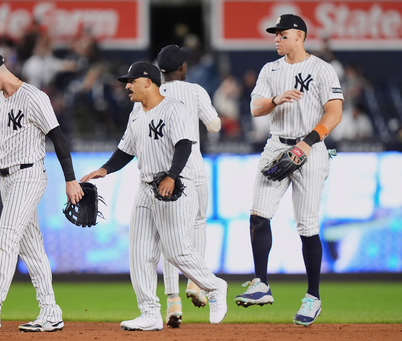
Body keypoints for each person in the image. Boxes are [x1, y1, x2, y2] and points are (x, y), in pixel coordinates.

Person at [80, 61, 228, 331]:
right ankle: (149, 313)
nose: (127, 86)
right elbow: (126, 149)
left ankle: (215, 286)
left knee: (176, 251)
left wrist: (172, 176)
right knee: (139, 252)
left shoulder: (174, 109)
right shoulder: (136, 111)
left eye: (131, 81)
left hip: (171, 187)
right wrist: (105, 169)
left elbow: (184, 145)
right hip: (145, 187)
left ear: (148, 82)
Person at [0, 51, 84, 332]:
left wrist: (71, 179)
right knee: (32, 249)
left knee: (6, 235)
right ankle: (51, 311)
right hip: (7, 179)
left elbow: (58, 138)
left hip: (29, 174)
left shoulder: (34, 97)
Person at [233, 14, 343, 326]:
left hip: (311, 148)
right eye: (275, 35)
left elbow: (334, 112)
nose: (276, 39)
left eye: (282, 34)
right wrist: (275, 100)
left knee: (307, 226)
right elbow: (256, 108)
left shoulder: (322, 69)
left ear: (299, 35)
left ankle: (312, 297)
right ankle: (261, 284)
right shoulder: (271, 70)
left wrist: (307, 143)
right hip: (276, 144)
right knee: (258, 213)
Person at [155, 44, 221, 328]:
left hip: (163, 173)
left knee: (169, 236)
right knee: (198, 224)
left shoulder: (150, 94)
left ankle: (172, 301)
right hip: (193, 169)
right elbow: (214, 126)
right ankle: (196, 281)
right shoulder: (194, 90)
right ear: (183, 68)